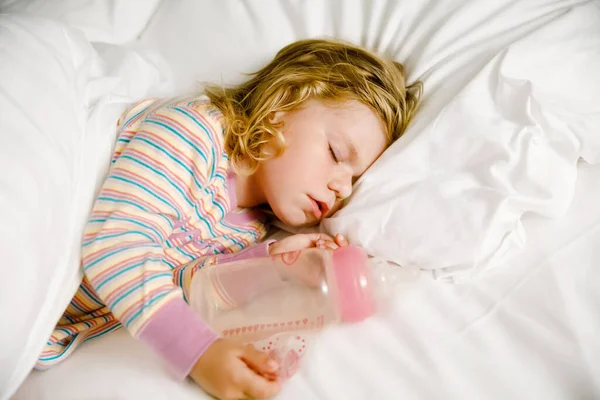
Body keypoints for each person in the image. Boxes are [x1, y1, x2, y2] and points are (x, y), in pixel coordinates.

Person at [36, 38, 422, 399]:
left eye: (354, 181)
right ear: (281, 105)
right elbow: (115, 244)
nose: (341, 187)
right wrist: (198, 353)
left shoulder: (249, 226)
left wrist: (275, 264)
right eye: (337, 153)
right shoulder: (194, 132)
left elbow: (176, 279)